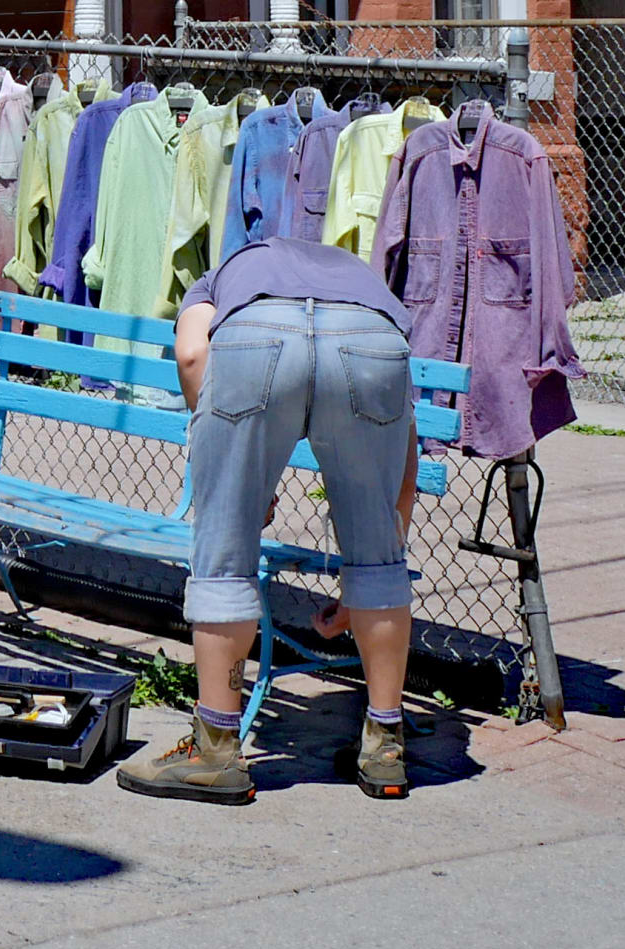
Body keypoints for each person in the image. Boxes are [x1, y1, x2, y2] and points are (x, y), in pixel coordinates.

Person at [115, 232, 421, 808]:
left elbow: (191, 355)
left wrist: (238, 487)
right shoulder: (363, 281)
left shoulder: (220, 277)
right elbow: (402, 475)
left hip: (258, 342)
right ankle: (385, 748)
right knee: (380, 555)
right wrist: (365, 584)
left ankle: (216, 752)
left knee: (224, 554)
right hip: (370, 342)